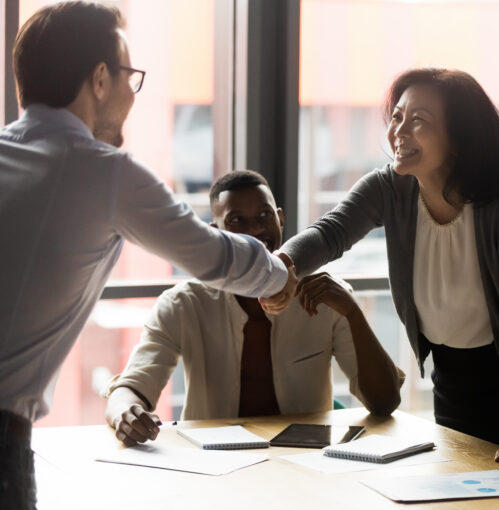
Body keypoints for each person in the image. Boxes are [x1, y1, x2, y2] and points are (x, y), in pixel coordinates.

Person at [0, 3, 295, 508]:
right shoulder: (101, 171)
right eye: (128, 77)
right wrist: (278, 276)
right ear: (98, 79)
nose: (132, 97)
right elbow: (213, 257)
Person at [277, 68, 499, 470]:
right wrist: (282, 267)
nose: (400, 131)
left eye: (419, 120)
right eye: (397, 117)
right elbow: (331, 232)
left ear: (459, 139)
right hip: (449, 384)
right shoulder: (389, 188)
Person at [104, 171, 403, 445]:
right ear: (214, 231)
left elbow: (385, 403)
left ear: (281, 220)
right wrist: (125, 413)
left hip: (304, 464)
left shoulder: (325, 296)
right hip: (215, 466)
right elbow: (132, 387)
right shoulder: (183, 304)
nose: (255, 230)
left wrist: (352, 312)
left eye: (264, 215)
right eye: (237, 221)